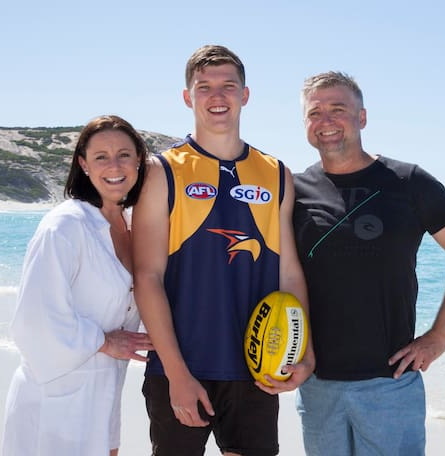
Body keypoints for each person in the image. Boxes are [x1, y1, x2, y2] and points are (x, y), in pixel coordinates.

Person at [289, 71, 445, 456]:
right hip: (316, 384)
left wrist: (438, 337)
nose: (326, 121)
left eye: (338, 109)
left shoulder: (408, 181)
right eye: (314, 113)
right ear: (305, 125)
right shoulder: (294, 191)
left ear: (362, 117)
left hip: (390, 384)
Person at [132, 44, 313, 456]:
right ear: (187, 97)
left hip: (257, 368)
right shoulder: (163, 171)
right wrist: (177, 374)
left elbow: (289, 274)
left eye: (228, 86)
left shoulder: (276, 173)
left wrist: (305, 352)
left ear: (245, 95)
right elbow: (147, 277)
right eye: (204, 87)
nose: (217, 97)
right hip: (181, 368)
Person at [2, 115, 155, 456]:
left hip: (105, 392)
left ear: (139, 162)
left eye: (124, 154)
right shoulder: (64, 226)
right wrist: (103, 341)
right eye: (101, 156)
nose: (114, 165)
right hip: (56, 394)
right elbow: (33, 319)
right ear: (84, 165)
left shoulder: (131, 225)